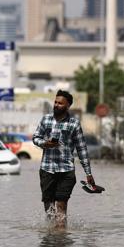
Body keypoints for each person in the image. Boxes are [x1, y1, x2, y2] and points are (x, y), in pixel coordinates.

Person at [32, 89, 95, 228]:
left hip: (66, 171)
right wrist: (45, 144)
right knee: (49, 207)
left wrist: (88, 173)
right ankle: (51, 239)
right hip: (47, 169)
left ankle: (61, 240)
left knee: (61, 205)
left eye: (60, 103)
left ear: (67, 106)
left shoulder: (74, 124)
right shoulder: (45, 119)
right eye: (55, 102)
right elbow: (35, 138)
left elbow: (82, 149)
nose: (56, 105)